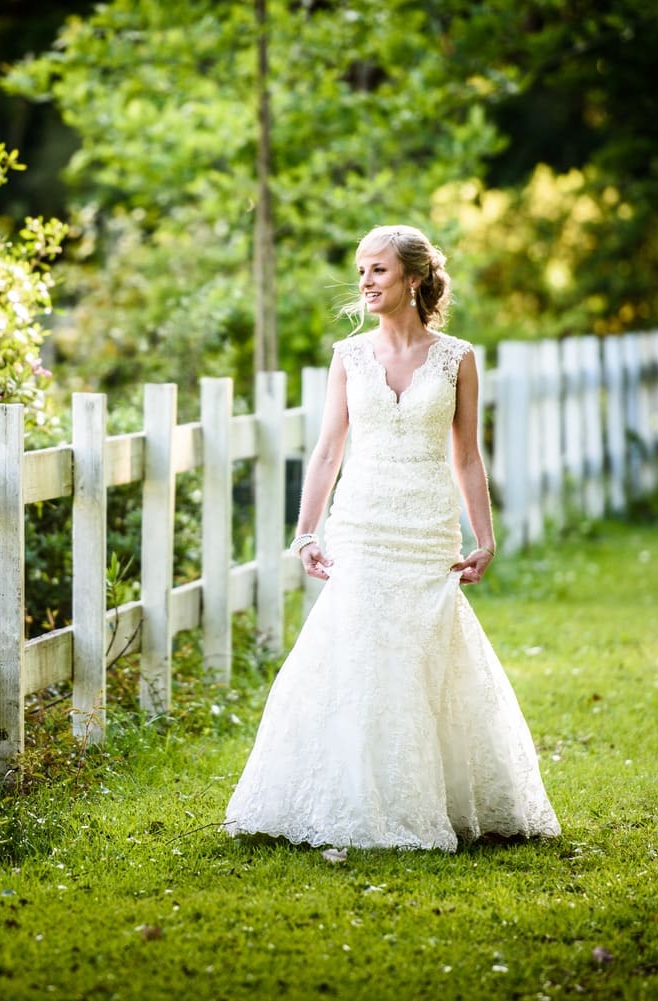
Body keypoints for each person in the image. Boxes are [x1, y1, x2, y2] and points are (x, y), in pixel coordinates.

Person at [223, 225, 560, 852]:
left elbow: (467, 457)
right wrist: (305, 533)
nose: (365, 283)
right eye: (360, 272)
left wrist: (483, 538)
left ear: (413, 279)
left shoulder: (457, 357)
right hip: (361, 523)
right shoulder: (347, 357)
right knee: (356, 654)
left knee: (421, 655)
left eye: (378, 270)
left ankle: (435, 800)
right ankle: (348, 798)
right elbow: (328, 451)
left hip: (428, 528)